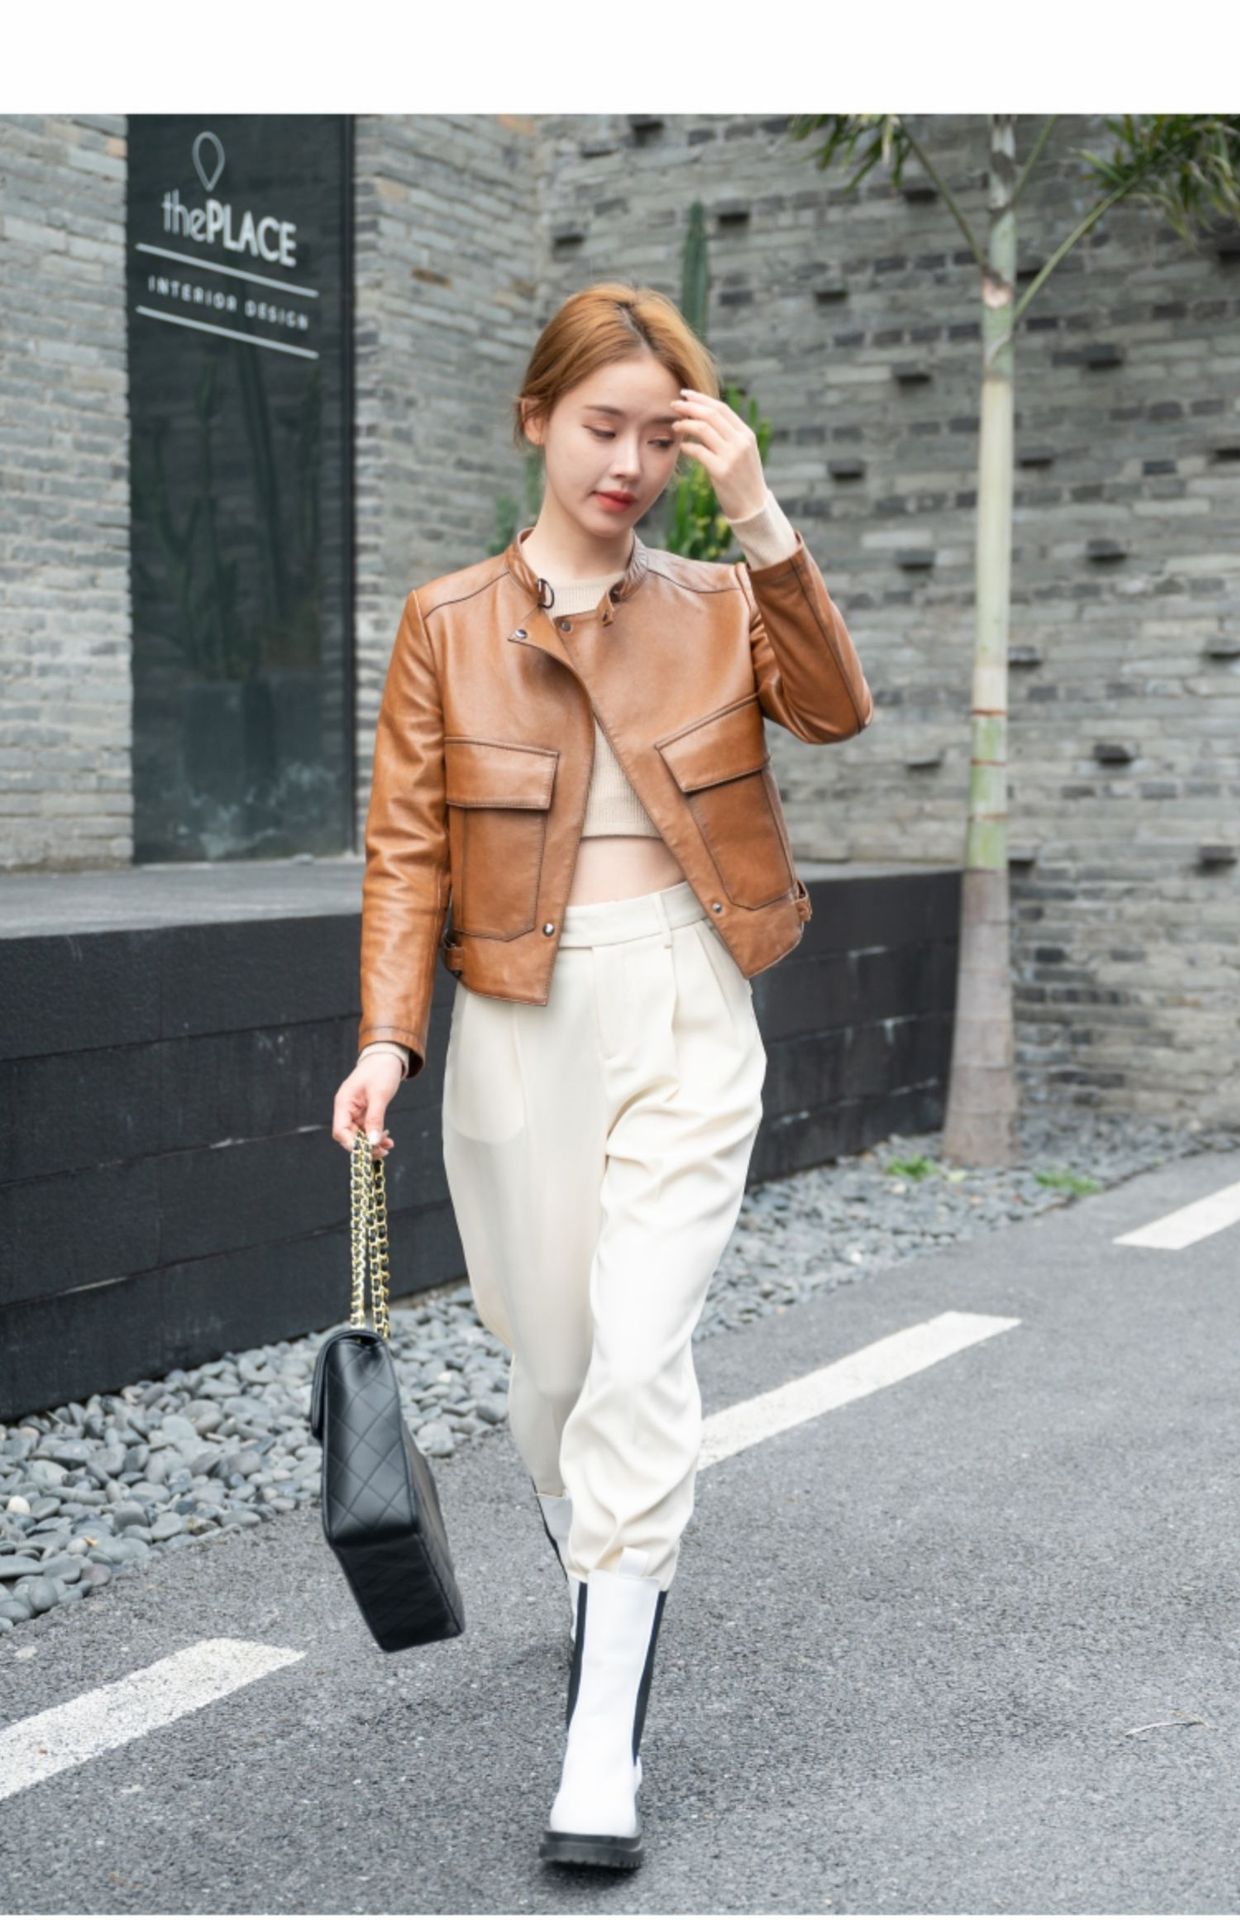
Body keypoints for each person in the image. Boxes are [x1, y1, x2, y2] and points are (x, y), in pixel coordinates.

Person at [331, 280, 874, 1871]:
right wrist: (386, 1038)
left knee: (640, 1361)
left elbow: (834, 712)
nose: (627, 465)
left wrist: (761, 517)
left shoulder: (718, 599)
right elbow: (405, 851)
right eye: (599, 428)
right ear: (537, 421)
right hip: (518, 1021)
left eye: (658, 439)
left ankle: (599, 1749)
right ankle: (600, 1564)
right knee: (555, 1371)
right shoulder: (446, 622)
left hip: (690, 1005)